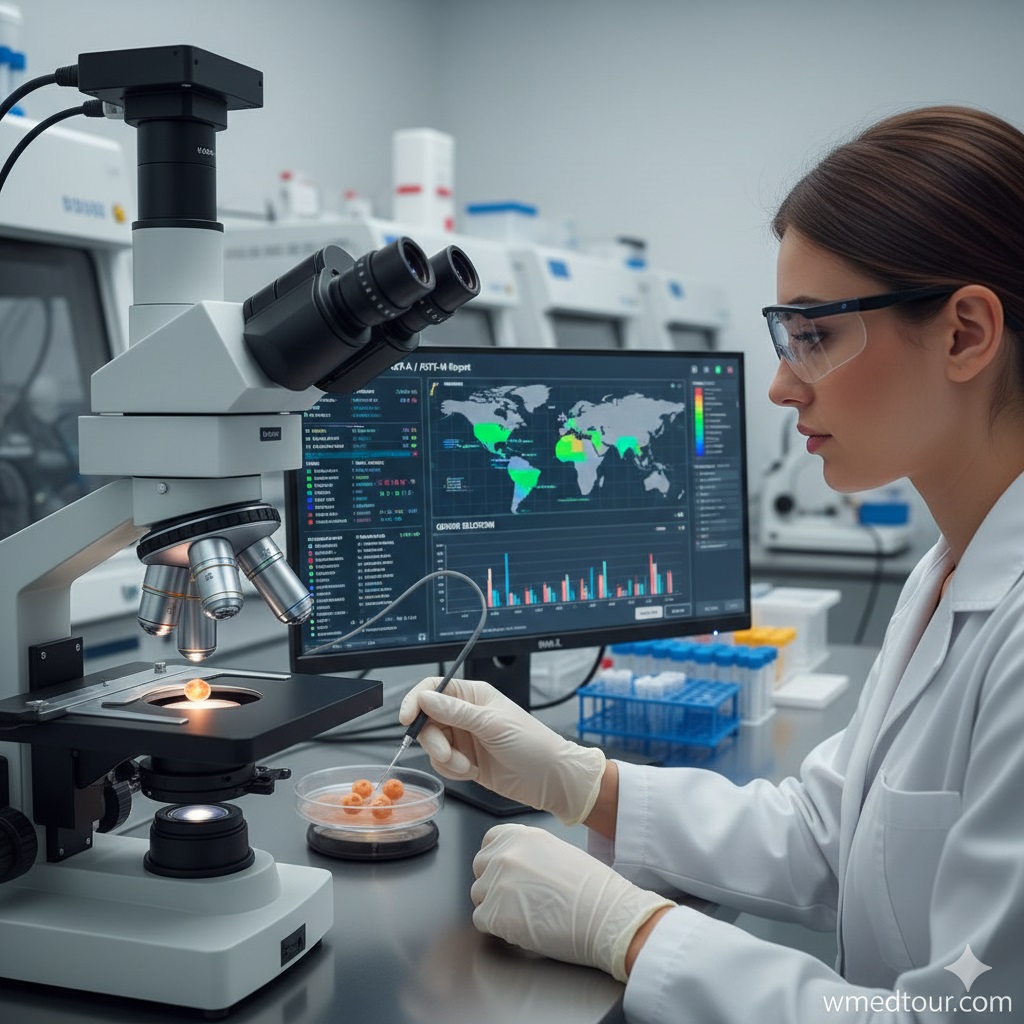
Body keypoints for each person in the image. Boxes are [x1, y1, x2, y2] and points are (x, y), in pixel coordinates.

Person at [399, 105, 1024, 1022]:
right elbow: (831, 833)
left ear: (966, 333)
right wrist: (579, 780)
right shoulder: (951, 569)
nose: (780, 382)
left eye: (813, 333)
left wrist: (635, 933)